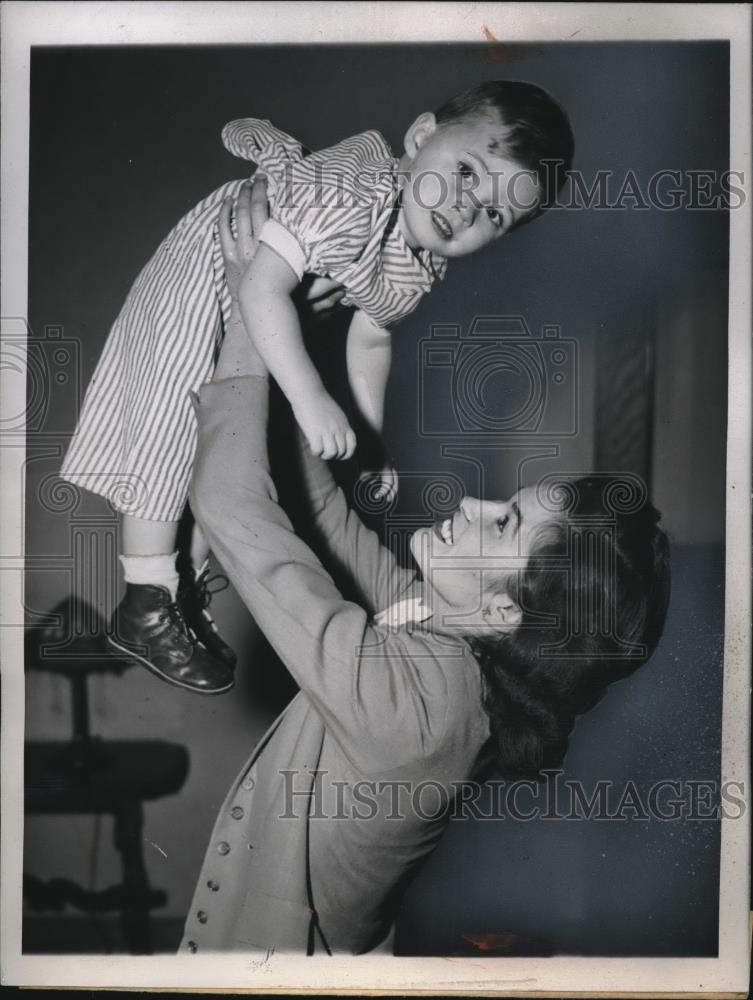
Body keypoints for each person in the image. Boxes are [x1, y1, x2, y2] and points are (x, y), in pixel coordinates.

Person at [178, 179, 671, 955]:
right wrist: (292, 345)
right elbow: (326, 521)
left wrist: (248, 313)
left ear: (510, 612)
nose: (473, 506)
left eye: (502, 523)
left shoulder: (421, 710)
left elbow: (233, 510)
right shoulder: (449, 643)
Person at [58, 80, 574, 695]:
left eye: (493, 214)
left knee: (225, 452)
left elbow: (371, 338)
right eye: (466, 172)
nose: (465, 209)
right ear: (419, 137)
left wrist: (369, 439)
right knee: (172, 425)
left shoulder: (417, 260)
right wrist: (309, 398)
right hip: (208, 274)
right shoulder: (351, 189)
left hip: (260, 307)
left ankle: (181, 595)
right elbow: (259, 287)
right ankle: (144, 597)